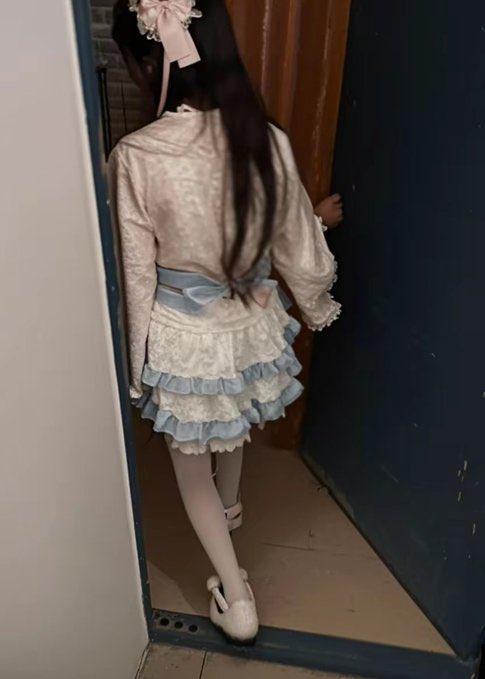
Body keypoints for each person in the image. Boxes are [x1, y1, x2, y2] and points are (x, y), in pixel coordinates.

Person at [109, 0, 342, 644]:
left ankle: (236, 599)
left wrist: (135, 366)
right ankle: (232, 507)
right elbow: (297, 247)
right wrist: (315, 301)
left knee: (191, 469)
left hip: (183, 333)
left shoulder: (135, 155)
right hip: (248, 319)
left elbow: (136, 274)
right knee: (233, 414)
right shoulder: (266, 139)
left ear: (147, 62)